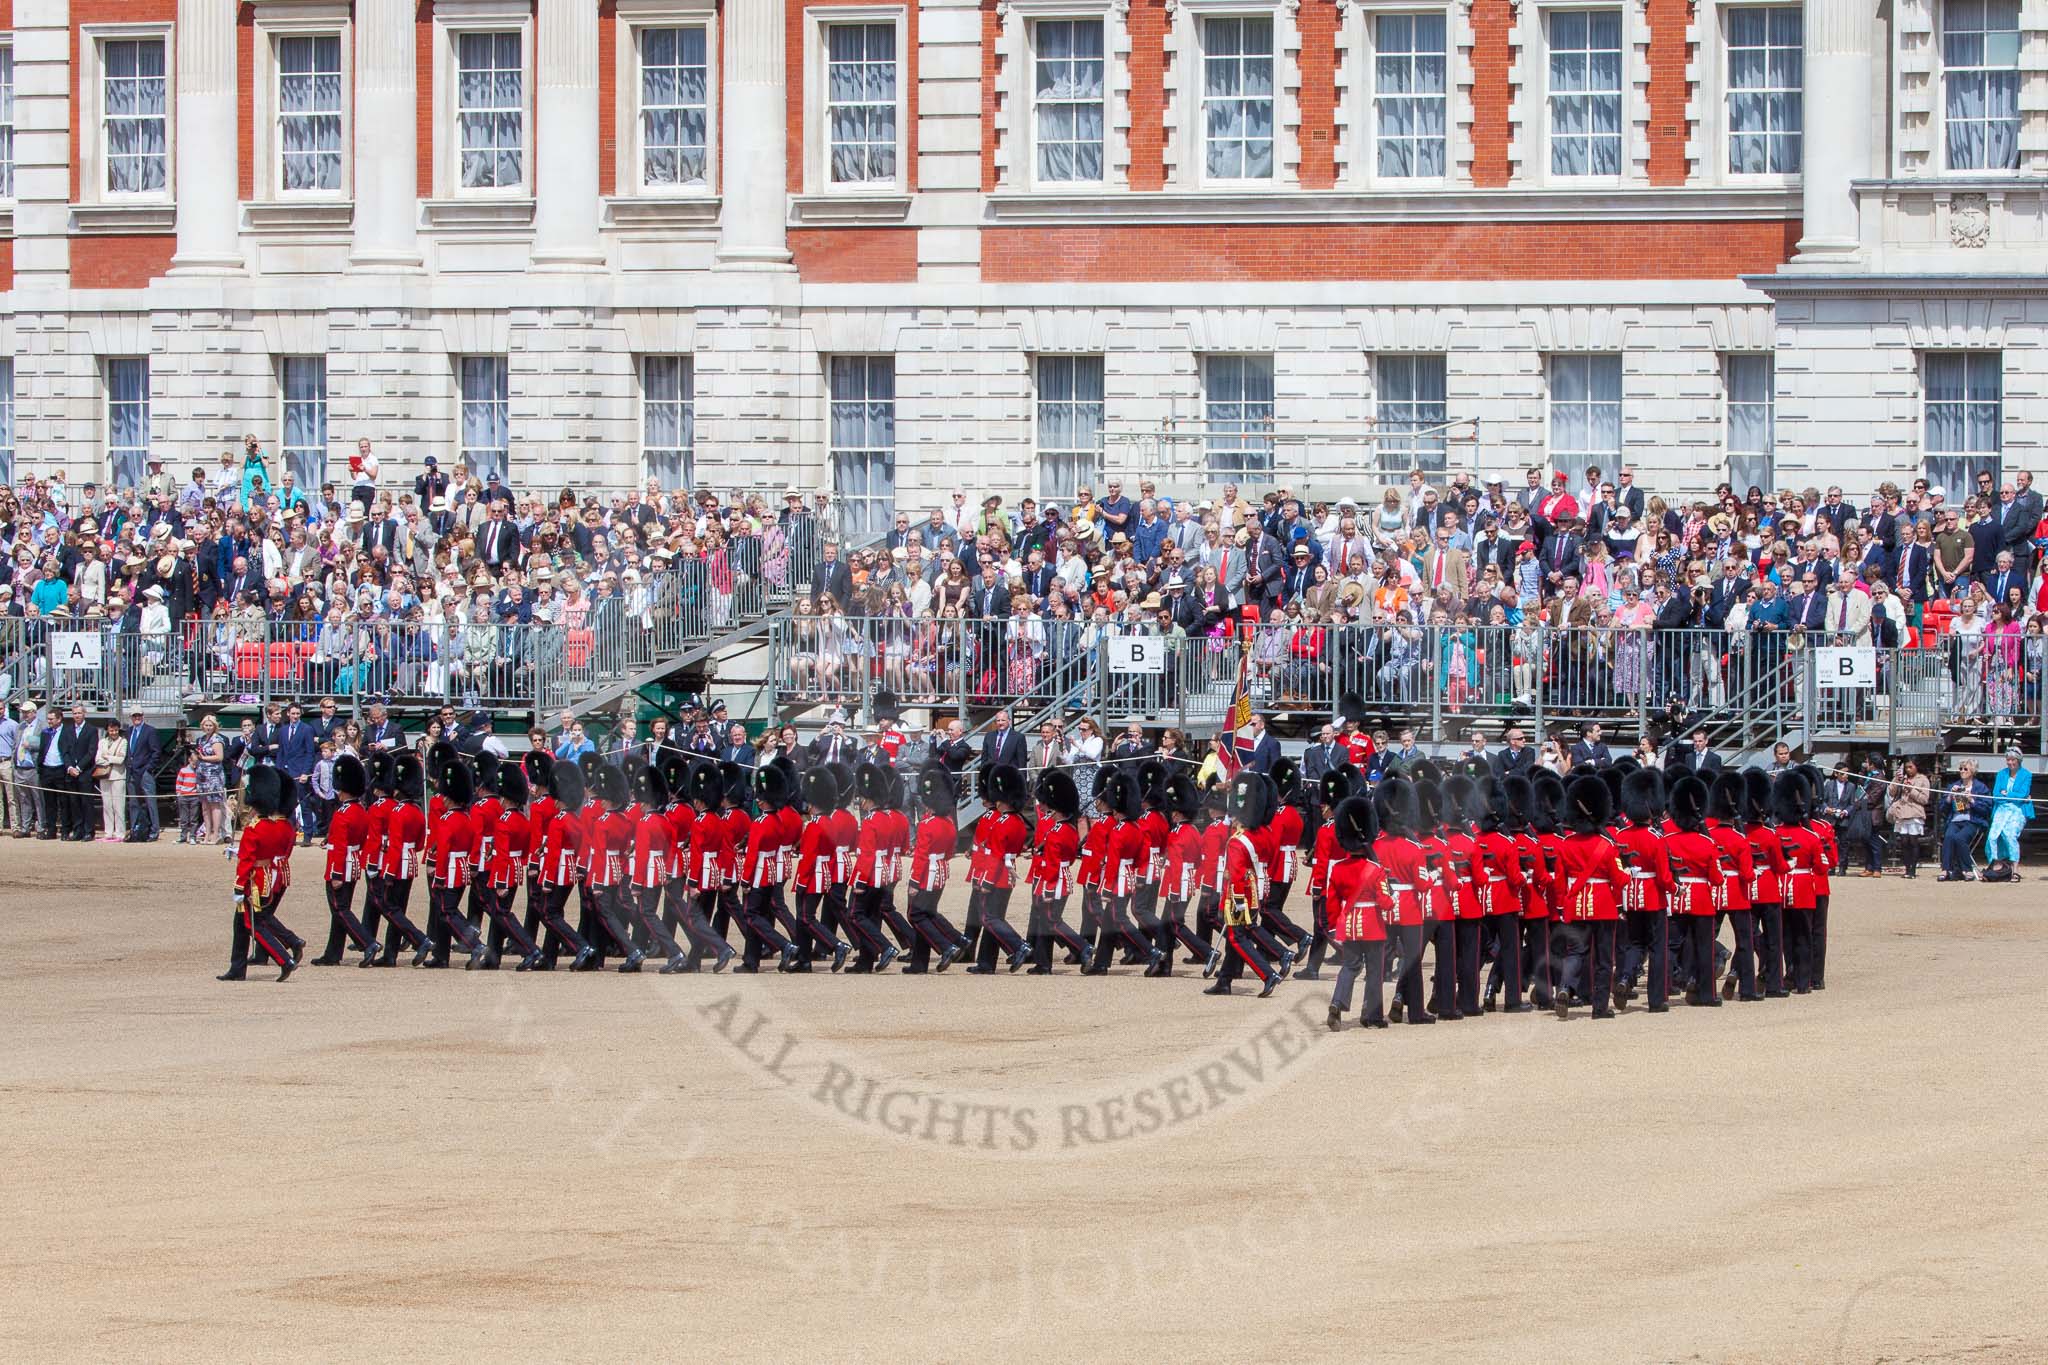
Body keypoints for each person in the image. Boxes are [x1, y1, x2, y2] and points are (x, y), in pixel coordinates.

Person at [218, 765, 303, 982]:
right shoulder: (274, 826)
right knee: (242, 924)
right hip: (268, 875)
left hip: (254, 881)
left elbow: (247, 862)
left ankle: (283, 959)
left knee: (251, 923)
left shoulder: (254, 828)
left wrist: (239, 887)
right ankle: (237, 968)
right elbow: (265, 852)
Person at [1939, 760, 1992, 882]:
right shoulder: (1953, 786)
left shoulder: (1980, 788)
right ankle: (1946, 869)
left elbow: (1986, 810)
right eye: (1961, 769)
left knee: (1960, 838)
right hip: (1955, 819)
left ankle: (1967, 869)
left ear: (1972, 771)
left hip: (1973, 821)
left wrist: (1972, 801)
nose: (1962, 771)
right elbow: (1942, 809)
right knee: (1949, 836)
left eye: (1965, 769)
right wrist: (1949, 797)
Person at [1988, 747, 2034, 872]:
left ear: (2018, 760)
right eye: (2008, 760)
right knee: (1993, 836)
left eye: (2013, 759)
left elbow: (2023, 794)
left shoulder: (2027, 775)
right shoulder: (2001, 774)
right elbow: (1996, 795)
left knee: (2009, 835)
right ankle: (1998, 866)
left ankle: (2015, 869)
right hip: (2001, 809)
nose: (2010, 762)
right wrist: (2011, 796)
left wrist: (2006, 794)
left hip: (2018, 810)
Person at [124, 708, 163, 842]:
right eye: (134, 715)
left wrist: (149, 768)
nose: (137, 717)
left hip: (145, 772)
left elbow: (156, 751)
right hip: (132, 772)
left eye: (139, 715)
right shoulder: (128, 731)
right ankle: (135, 829)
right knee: (133, 803)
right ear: (131, 717)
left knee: (150, 801)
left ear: (143, 715)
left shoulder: (150, 731)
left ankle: (154, 830)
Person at [94, 720, 129, 842]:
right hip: (104, 775)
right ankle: (108, 832)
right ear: (107, 730)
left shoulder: (123, 741)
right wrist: (110, 759)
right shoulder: (102, 742)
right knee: (107, 805)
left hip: (118, 776)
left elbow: (121, 759)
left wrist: (107, 757)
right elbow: (97, 759)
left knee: (118, 805)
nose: (113, 732)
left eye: (115, 730)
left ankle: (120, 833)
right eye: (111, 730)